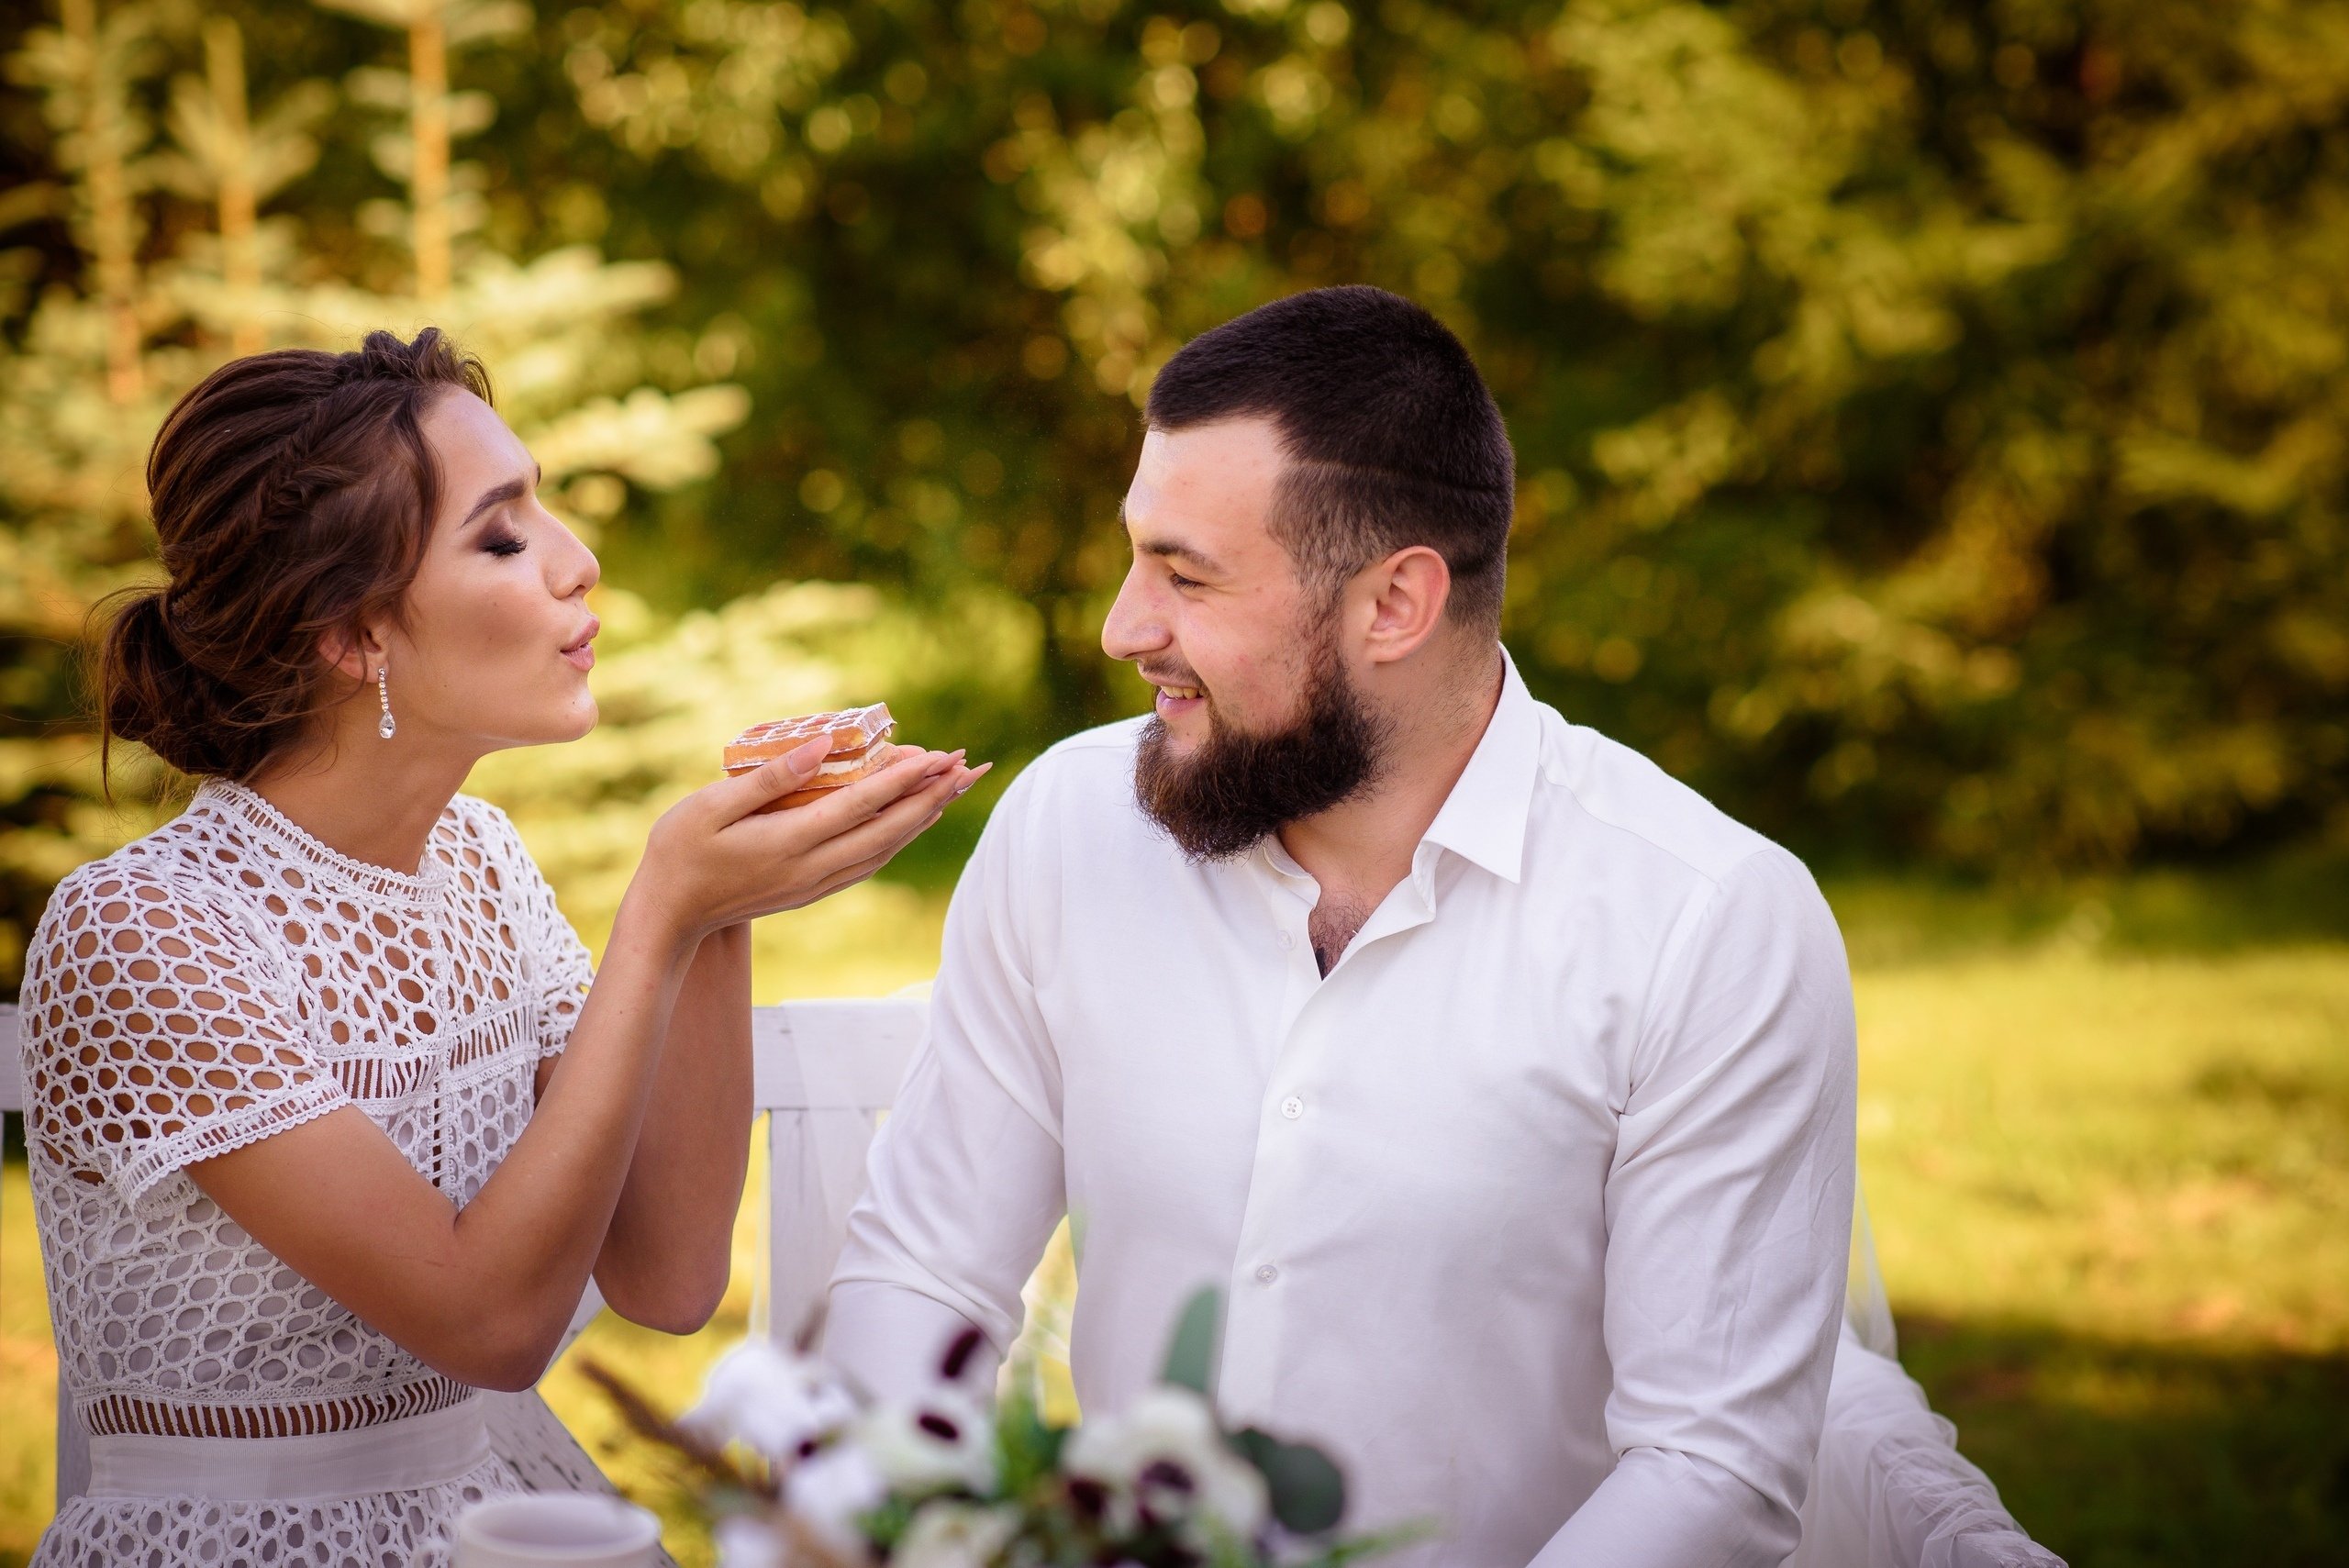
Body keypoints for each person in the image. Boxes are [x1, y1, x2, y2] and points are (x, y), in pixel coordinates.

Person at [824, 285, 1859, 1566]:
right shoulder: (1066, 828)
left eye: (1184, 574)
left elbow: (1711, 1467)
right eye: (1135, 552)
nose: (1122, 626)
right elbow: (926, 1273)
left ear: (1393, 605)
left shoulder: (1708, 922)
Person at [17, 328, 985, 1568]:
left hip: (488, 1523)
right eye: (502, 535)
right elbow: (490, 1321)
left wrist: (724, 901)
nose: (578, 565)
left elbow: (669, 1275)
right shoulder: (145, 932)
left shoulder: (477, 861)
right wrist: (660, 908)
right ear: (354, 633)